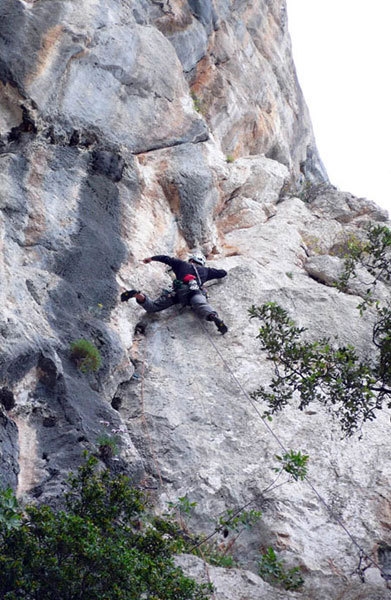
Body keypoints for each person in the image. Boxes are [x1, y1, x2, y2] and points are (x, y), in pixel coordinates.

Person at [121, 253, 228, 334]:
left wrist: (151, 258)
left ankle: (138, 295)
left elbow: (166, 259)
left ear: (191, 259)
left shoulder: (181, 264)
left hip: (179, 292)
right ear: (202, 263)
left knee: (153, 307)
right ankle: (213, 316)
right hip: (195, 292)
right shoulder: (207, 271)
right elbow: (223, 273)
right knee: (201, 304)